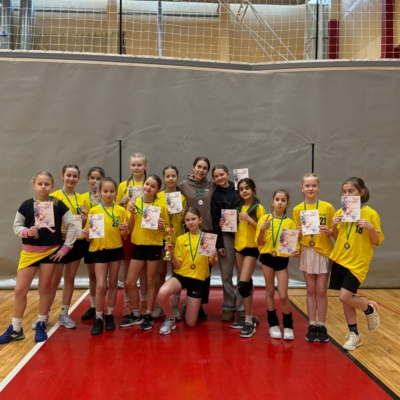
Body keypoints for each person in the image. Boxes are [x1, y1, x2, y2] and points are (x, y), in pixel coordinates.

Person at [0, 171, 77, 344]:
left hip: (50, 252)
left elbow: (72, 225)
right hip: (29, 253)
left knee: (45, 289)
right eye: (40, 184)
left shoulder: (58, 204)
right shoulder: (26, 205)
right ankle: (16, 328)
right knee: (20, 290)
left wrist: (65, 248)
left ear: (52, 186)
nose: (43, 187)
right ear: (33, 185)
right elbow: (16, 226)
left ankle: (41, 322)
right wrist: (27, 232)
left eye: (47, 184)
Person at [329, 177, 384, 351]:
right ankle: (354, 335)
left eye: (351, 191)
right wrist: (334, 226)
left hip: (358, 262)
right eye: (344, 192)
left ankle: (369, 309)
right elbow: (338, 238)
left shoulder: (370, 214)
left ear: (361, 192)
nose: (347, 195)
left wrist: (370, 228)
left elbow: (376, 240)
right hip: (341, 258)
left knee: (344, 297)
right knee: (347, 300)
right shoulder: (340, 212)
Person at [33, 164, 88, 330]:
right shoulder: (53, 197)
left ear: (78, 178)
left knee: (70, 278)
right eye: (68, 175)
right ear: (62, 176)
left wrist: (85, 220)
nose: (71, 178)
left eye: (74, 176)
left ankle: (64, 314)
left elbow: (82, 224)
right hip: (57, 243)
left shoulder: (82, 199)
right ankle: (44, 315)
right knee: (53, 281)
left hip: (76, 243)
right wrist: (58, 233)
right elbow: (44, 222)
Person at [119, 174, 168, 331]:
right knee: (129, 281)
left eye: (153, 186)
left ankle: (148, 315)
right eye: (147, 184)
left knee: (151, 281)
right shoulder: (135, 203)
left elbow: (167, 228)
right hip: (139, 245)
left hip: (154, 246)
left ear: (157, 190)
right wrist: (132, 214)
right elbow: (129, 228)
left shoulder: (161, 205)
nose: (148, 187)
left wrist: (162, 226)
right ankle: (136, 314)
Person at [158, 208, 217, 335]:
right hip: (182, 275)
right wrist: (172, 254)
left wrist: (212, 256)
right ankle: (170, 319)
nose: (191, 222)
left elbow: (212, 263)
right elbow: (178, 266)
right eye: (188, 220)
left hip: (198, 280)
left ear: (200, 220)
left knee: (190, 323)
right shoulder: (181, 239)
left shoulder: (207, 239)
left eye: (193, 219)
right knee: (162, 293)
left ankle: (188, 304)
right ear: (184, 222)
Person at [82, 177, 129, 335]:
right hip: (99, 250)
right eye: (105, 191)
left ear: (115, 192)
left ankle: (109, 314)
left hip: (115, 250)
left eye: (111, 191)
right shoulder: (94, 211)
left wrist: (124, 228)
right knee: (101, 285)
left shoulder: (121, 211)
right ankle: (98, 317)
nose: (109, 194)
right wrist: (86, 234)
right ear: (100, 192)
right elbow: (89, 238)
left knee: (113, 283)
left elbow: (124, 235)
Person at [292, 173, 335, 342]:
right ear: (302, 188)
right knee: (310, 289)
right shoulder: (297, 209)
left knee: (321, 290)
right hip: (306, 250)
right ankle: (312, 324)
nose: (310, 188)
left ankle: (322, 325)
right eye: (307, 186)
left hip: (323, 251)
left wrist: (329, 231)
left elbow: (336, 233)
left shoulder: (327, 207)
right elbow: (294, 235)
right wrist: (297, 235)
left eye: (313, 185)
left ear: (319, 188)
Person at [257, 189, 299, 340]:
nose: (280, 202)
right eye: (277, 199)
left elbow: (294, 247)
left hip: (282, 260)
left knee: (282, 294)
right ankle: (273, 324)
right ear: (272, 202)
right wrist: (262, 230)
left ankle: (288, 325)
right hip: (267, 258)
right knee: (269, 291)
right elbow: (259, 242)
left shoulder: (290, 223)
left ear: (287, 203)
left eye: (283, 200)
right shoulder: (265, 219)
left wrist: (295, 252)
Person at [179, 156, 217, 320]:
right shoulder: (182, 185)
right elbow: (173, 202)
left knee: (205, 272)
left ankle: (199, 304)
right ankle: (188, 301)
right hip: (190, 233)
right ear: (193, 168)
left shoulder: (212, 185)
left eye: (205, 168)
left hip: (207, 233)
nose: (201, 170)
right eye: (199, 167)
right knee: (190, 268)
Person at [230, 178, 266, 338]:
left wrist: (250, 220)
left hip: (252, 248)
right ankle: (247, 317)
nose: (244, 191)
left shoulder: (258, 208)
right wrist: (227, 224)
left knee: (243, 284)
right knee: (245, 282)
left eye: (247, 188)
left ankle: (249, 321)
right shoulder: (238, 208)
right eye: (241, 189)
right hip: (239, 247)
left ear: (254, 190)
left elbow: (264, 230)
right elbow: (237, 230)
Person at [116, 152, 149, 317]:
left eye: (139, 165)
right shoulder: (124, 185)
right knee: (127, 265)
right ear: (130, 167)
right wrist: (121, 203)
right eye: (133, 165)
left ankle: (144, 300)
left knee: (143, 268)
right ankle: (127, 300)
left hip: (144, 229)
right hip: (128, 230)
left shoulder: (149, 183)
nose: (136, 168)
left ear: (145, 166)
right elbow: (116, 209)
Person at [153, 165, 186, 321]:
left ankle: (175, 306)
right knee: (160, 273)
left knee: (176, 273)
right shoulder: (157, 196)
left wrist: (184, 215)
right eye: (168, 176)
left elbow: (187, 221)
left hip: (177, 239)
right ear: (164, 178)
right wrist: (157, 223)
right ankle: (160, 305)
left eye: (173, 176)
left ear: (177, 177)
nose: (171, 178)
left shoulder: (182, 198)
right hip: (161, 238)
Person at [210, 164, 242, 322]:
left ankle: (243, 308)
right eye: (216, 176)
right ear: (213, 179)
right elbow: (216, 221)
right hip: (226, 236)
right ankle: (228, 306)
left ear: (228, 174)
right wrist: (220, 244)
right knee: (226, 274)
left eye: (222, 174)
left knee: (243, 274)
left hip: (243, 235)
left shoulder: (240, 188)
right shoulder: (215, 195)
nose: (219, 178)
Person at [80, 166, 106, 321]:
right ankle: (93, 305)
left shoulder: (107, 196)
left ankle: (102, 308)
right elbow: (80, 223)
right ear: (88, 179)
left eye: (98, 178)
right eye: (92, 178)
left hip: (103, 241)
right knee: (92, 275)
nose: (95, 181)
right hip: (89, 240)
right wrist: (83, 220)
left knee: (101, 277)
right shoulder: (83, 198)